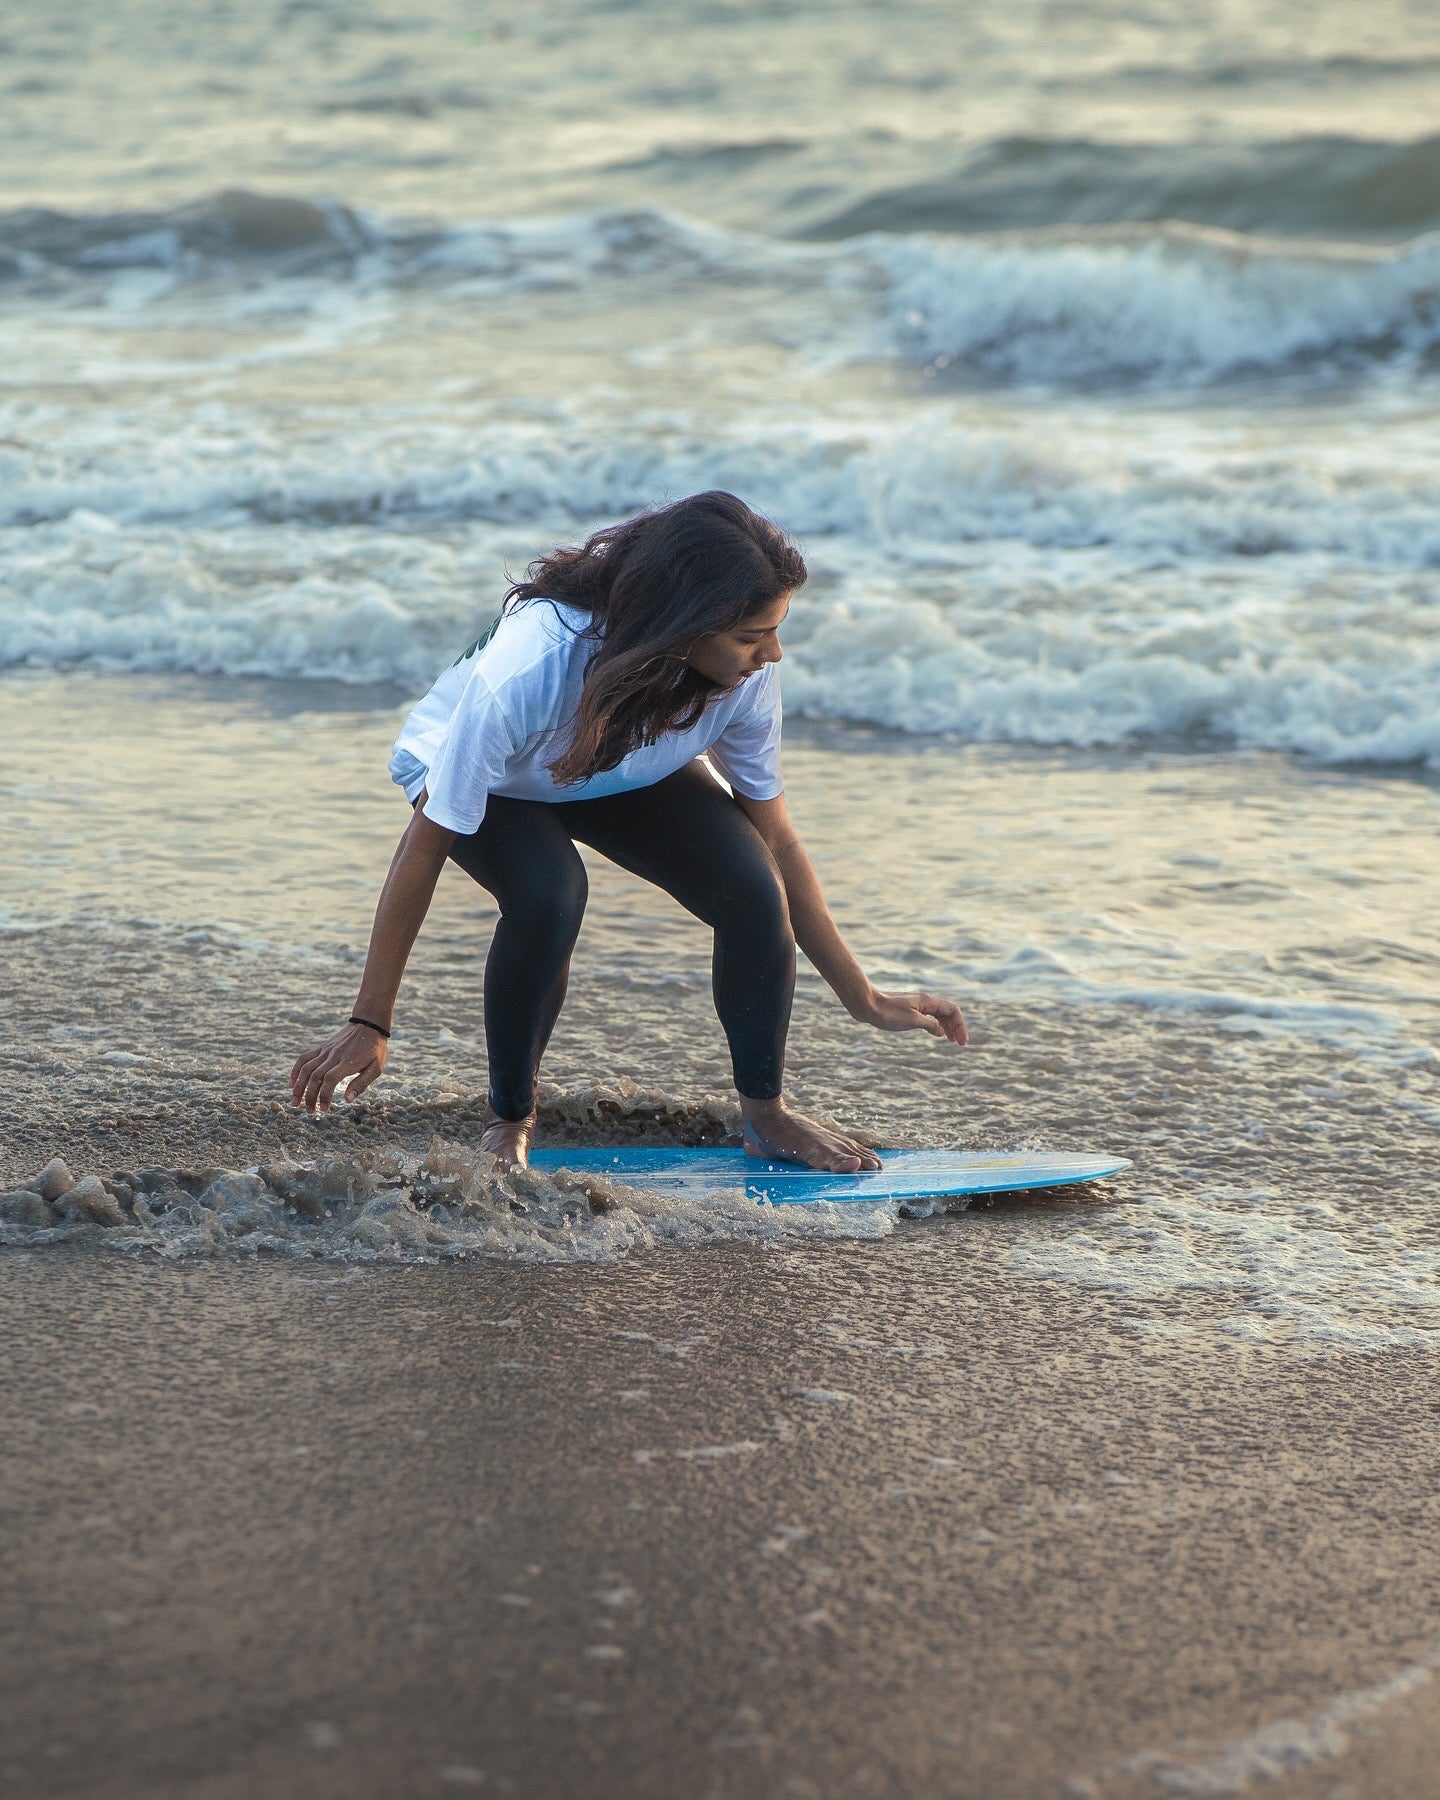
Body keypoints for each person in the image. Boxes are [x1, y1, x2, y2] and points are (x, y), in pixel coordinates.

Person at [289, 491, 967, 1172]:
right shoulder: (533, 666)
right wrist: (370, 1021)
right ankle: (509, 1120)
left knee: (754, 889)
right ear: (683, 622)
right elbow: (426, 841)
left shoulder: (743, 677)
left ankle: (766, 1117)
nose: (773, 652)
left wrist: (863, 997)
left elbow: (780, 841)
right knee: (549, 893)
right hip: (486, 776)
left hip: (612, 761)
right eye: (750, 635)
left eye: (775, 629)